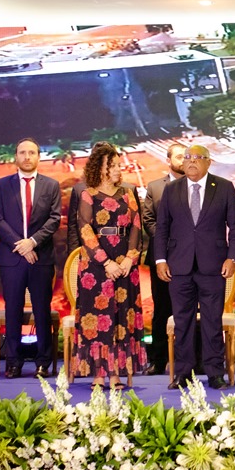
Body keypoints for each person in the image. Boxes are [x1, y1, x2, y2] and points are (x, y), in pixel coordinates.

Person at [155, 144, 235, 390]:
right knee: (183, 322)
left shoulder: (223, 187)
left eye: (197, 158)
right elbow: (162, 228)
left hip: (213, 266)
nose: (191, 162)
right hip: (178, 267)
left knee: (213, 321)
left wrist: (232, 258)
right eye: (188, 158)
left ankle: (215, 373)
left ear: (208, 162)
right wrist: (161, 260)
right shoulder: (171, 190)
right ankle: (183, 373)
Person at [71, 143, 146, 390]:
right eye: (111, 165)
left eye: (117, 164)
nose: (117, 169)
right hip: (96, 266)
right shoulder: (87, 194)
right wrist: (106, 262)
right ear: (100, 169)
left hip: (125, 263)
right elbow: (85, 229)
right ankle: (98, 374)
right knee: (100, 318)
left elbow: (136, 226)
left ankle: (117, 374)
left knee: (121, 317)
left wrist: (128, 259)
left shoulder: (128, 192)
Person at [0, 137, 62, 379]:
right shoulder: (2, 185)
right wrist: (21, 246)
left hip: (40, 257)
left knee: (42, 310)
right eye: (22, 152)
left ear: (38, 156)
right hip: (12, 258)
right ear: (16, 156)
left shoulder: (51, 185)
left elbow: (54, 219)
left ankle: (43, 361)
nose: (27, 157)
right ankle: (13, 361)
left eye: (32, 152)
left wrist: (32, 242)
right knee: (13, 310)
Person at [140, 142, 186, 375]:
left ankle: (189, 359)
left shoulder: (198, 185)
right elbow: (148, 221)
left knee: (188, 309)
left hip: (191, 258)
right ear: (168, 160)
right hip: (162, 258)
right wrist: (170, 242)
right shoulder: (155, 187)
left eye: (185, 156)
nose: (183, 160)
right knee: (161, 311)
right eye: (178, 156)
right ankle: (157, 360)